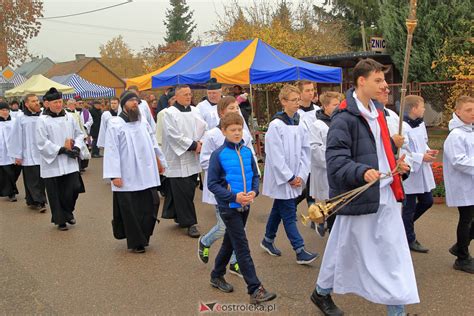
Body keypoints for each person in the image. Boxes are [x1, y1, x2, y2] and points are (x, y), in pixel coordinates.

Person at [311, 59, 417, 316]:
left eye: (384, 81)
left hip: (386, 194)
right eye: (378, 81)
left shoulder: (378, 112)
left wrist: (395, 157)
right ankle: (321, 292)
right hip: (361, 197)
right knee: (342, 249)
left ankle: (397, 311)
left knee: (392, 255)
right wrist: (360, 171)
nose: (385, 86)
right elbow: (335, 161)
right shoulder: (344, 118)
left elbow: (374, 152)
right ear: (361, 81)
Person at [207, 112, 276, 303]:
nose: (237, 133)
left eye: (239, 129)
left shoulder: (246, 152)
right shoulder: (218, 155)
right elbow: (212, 184)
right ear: (224, 131)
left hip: (246, 205)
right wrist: (233, 196)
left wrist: (254, 192)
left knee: (230, 242)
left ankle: (216, 275)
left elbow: (255, 175)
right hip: (229, 207)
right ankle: (255, 289)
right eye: (232, 130)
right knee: (242, 247)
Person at [198, 96, 257, 276]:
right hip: (225, 192)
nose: (235, 111)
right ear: (222, 113)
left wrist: (254, 185)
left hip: (243, 191)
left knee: (237, 231)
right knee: (225, 228)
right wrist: (226, 176)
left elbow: (250, 158)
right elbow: (205, 160)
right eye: (231, 108)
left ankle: (233, 263)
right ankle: (206, 241)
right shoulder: (211, 135)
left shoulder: (243, 134)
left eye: (237, 108)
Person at [260, 84, 318, 265]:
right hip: (282, 178)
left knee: (280, 208)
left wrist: (301, 174)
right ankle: (299, 250)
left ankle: (267, 240)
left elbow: (305, 151)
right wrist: (289, 177)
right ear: (283, 102)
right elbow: (275, 155)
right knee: (289, 213)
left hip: (296, 176)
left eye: (298, 100)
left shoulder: (299, 123)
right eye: (293, 100)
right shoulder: (276, 125)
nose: (297, 104)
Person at [103, 90, 167, 253]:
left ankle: (144, 236)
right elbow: (112, 149)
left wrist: (160, 161)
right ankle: (136, 241)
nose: (135, 103)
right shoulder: (115, 123)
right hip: (127, 173)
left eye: (136, 101)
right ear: (124, 104)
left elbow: (153, 142)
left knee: (152, 203)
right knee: (131, 209)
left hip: (146, 171)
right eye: (131, 100)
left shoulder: (142, 121)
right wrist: (114, 175)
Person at [36, 88, 86, 231]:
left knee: (74, 188)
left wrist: (76, 147)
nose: (58, 105)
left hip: (70, 162)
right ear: (47, 104)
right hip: (53, 163)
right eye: (55, 102)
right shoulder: (42, 120)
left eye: (60, 101)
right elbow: (41, 142)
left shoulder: (69, 117)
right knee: (56, 193)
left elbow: (79, 134)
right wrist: (62, 150)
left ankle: (68, 211)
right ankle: (61, 220)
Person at [161, 85, 207, 238]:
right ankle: (190, 223)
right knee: (183, 191)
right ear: (176, 96)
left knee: (188, 189)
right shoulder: (169, 113)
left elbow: (204, 128)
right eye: (185, 94)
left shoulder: (195, 111)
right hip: (177, 157)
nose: (188, 96)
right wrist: (194, 145)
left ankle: (177, 215)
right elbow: (173, 135)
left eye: (190, 94)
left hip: (193, 157)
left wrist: (201, 142)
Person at [400, 95, 436, 253]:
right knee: (408, 208)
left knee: (427, 201)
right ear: (414, 108)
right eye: (422, 106)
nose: (424, 109)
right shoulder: (402, 126)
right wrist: (421, 157)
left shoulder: (420, 124)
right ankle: (409, 238)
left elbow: (424, 142)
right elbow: (402, 151)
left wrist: (428, 151)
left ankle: (402, 227)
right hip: (410, 172)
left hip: (421, 170)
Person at [443, 95, 474, 274]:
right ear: (458, 112)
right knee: (466, 220)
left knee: (469, 221)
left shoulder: (469, 131)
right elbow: (458, 161)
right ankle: (461, 258)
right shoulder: (456, 135)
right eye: (468, 110)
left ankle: (459, 246)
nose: (472, 113)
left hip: (471, 184)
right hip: (463, 186)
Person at [308, 91, 341, 237]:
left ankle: (329, 226)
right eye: (335, 104)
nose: (339, 107)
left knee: (339, 202)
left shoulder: (341, 121)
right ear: (325, 106)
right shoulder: (317, 125)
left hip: (341, 168)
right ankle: (329, 228)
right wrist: (334, 159)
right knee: (331, 203)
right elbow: (315, 149)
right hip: (327, 169)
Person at [7, 94, 47, 211]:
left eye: (37, 101)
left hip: (41, 152)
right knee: (32, 179)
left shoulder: (43, 115)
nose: (36, 103)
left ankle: (31, 200)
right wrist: (17, 155)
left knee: (40, 178)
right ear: (26, 104)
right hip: (28, 153)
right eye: (33, 101)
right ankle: (40, 202)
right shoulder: (21, 117)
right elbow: (16, 136)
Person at [296, 81, 321, 208]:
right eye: (307, 90)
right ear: (300, 93)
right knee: (303, 183)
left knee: (313, 183)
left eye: (312, 90)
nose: (311, 93)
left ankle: (313, 211)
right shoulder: (296, 113)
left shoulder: (318, 111)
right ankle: (293, 204)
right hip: (301, 154)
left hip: (316, 153)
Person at [0, 102, 19, 202]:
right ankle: (11, 193)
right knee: (8, 173)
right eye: (3, 110)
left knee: (15, 171)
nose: (5, 112)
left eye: (7, 110)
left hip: (14, 151)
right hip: (2, 153)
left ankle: (9, 188)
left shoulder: (14, 121)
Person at [75, 96, 93, 171]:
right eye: (79, 103)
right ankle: (78, 166)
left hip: (84, 133)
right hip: (76, 134)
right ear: (76, 104)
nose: (81, 104)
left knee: (85, 149)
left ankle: (83, 166)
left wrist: (85, 126)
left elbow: (90, 120)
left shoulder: (86, 112)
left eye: (82, 103)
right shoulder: (73, 112)